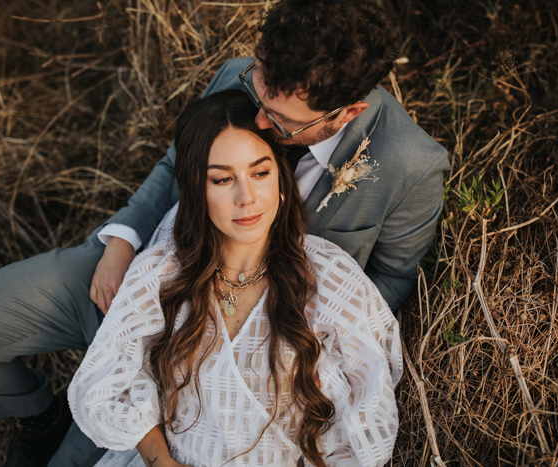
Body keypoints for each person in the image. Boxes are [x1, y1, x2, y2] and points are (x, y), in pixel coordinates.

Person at [0, 1, 447, 465]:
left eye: (282, 121)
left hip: (214, 347)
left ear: (348, 113)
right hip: (138, 269)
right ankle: (37, 410)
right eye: (258, 96)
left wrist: (280, 342)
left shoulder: (409, 165)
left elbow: (392, 279)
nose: (260, 122)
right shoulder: (239, 75)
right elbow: (177, 161)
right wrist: (122, 241)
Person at [70, 88, 402, 467]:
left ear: (280, 180)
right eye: (222, 180)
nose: (247, 197)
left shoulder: (329, 278)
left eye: (260, 172)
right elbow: (112, 387)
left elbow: (368, 417)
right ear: (197, 190)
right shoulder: (160, 273)